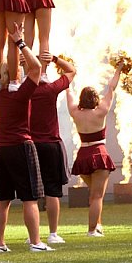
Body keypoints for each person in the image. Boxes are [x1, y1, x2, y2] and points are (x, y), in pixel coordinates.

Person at [0, 23, 48, 253]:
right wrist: (19, 41)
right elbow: (37, 68)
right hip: (21, 146)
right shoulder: (20, 94)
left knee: (2, 199)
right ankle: (35, 242)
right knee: (29, 198)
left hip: (1, 149)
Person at [67, 61, 122, 236]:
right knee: (97, 196)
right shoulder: (101, 111)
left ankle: (98, 225)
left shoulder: (75, 112)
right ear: (95, 99)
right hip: (99, 154)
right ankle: (92, 230)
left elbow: (68, 90)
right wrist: (119, 69)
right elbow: (112, 88)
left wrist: (65, 74)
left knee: (94, 194)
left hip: (83, 155)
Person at [29, 53, 76, 244]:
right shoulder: (49, 89)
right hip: (50, 144)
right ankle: (53, 233)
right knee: (52, 191)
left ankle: (33, 235)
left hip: (30, 145)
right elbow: (71, 71)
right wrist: (55, 59)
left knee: (30, 193)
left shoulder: (24, 91)